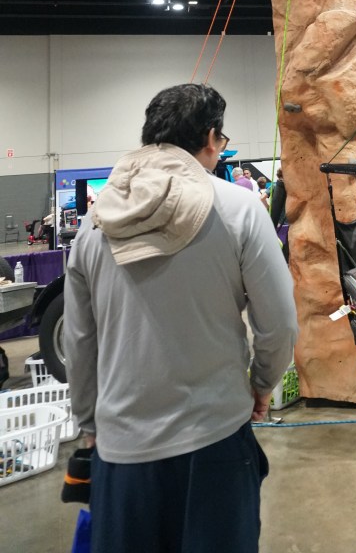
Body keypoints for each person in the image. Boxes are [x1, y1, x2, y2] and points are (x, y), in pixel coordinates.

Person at [63, 83, 298, 553]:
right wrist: (262, 384)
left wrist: (89, 423)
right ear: (211, 139)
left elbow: (79, 341)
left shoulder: (94, 225)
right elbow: (280, 321)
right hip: (214, 439)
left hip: (121, 450)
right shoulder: (238, 209)